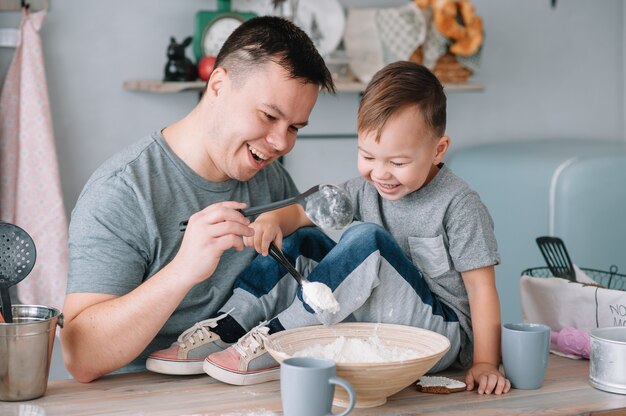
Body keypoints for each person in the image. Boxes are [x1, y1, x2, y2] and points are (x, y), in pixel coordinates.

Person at [148, 61, 511, 395]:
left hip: (438, 333)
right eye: (368, 156)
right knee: (305, 238)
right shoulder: (364, 188)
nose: (380, 174)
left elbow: (481, 291)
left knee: (367, 239)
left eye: (398, 162)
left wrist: (484, 363)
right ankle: (230, 326)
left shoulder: (459, 204)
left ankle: (283, 341)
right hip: (381, 318)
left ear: (438, 150)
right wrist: (274, 220)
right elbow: (304, 213)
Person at [60, 16, 335, 383]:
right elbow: (80, 357)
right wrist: (183, 270)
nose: (281, 143)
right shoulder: (123, 191)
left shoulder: (270, 178)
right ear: (219, 85)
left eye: (294, 128)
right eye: (269, 116)